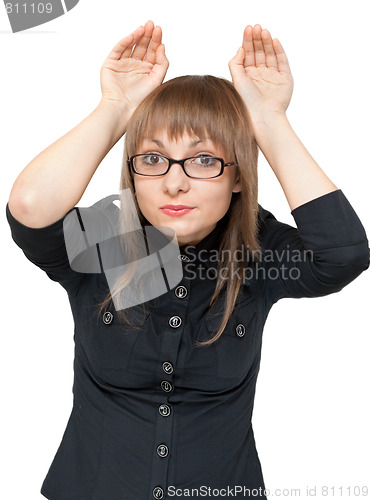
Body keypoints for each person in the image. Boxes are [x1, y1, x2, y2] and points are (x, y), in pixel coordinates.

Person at [5, 20, 369, 500]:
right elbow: (30, 209)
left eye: (203, 160)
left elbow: (342, 254)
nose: (174, 183)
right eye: (153, 160)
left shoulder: (257, 253)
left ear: (237, 176)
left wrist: (267, 121)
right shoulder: (105, 240)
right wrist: (117, 109)